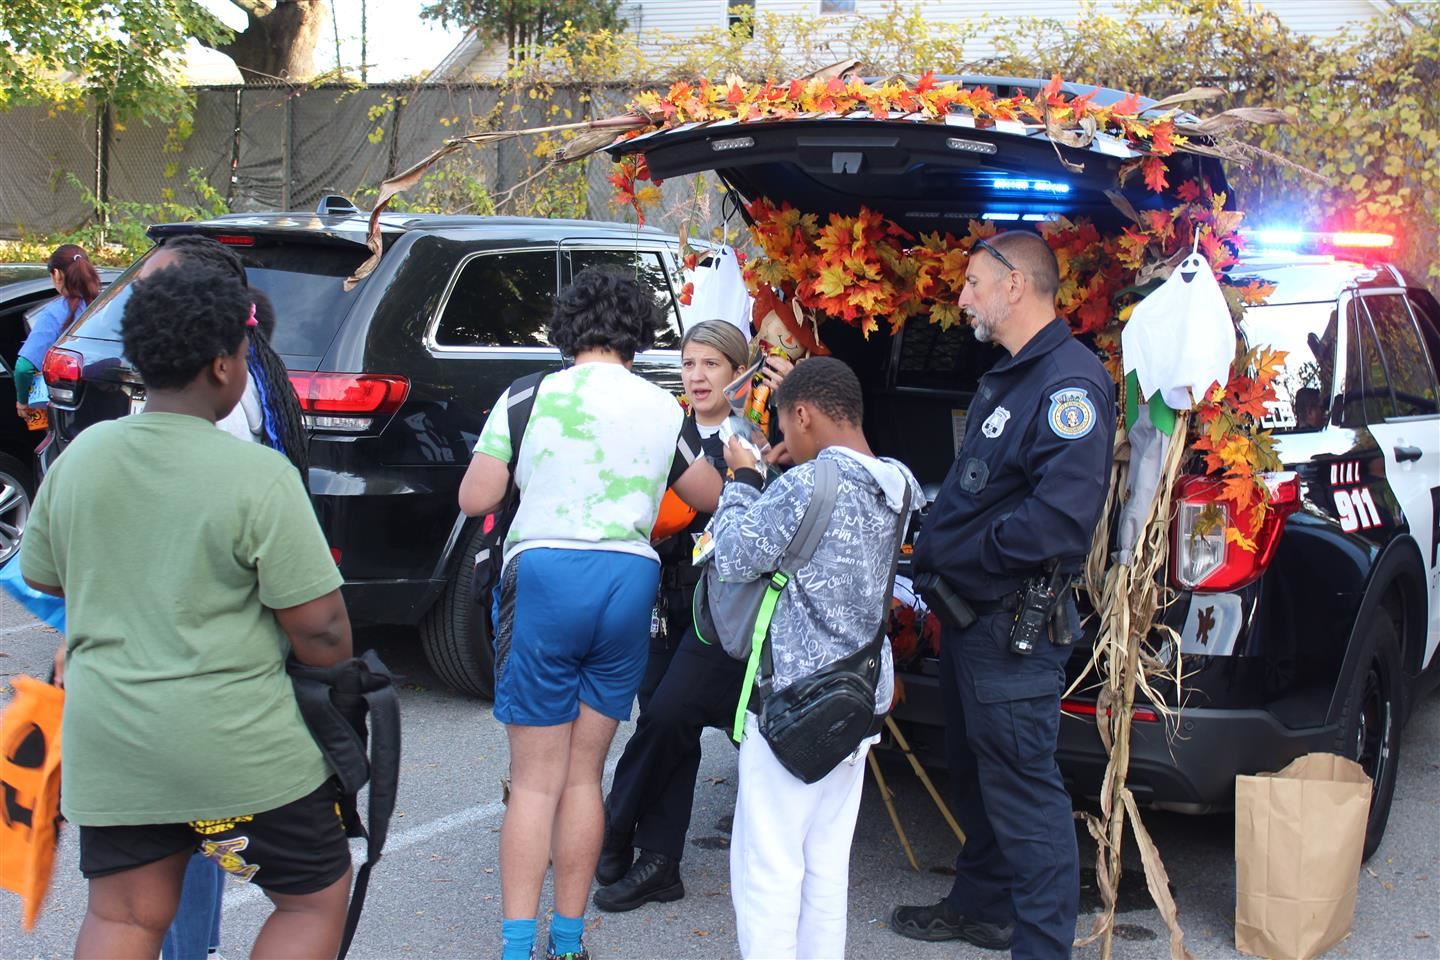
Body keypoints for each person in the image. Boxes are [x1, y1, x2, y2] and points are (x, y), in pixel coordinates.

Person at [21, 264, 354, 960]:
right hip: (236, 747)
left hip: (113, 744)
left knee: (123, 918)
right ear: (224, 365)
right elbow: (321, 629)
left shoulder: (83, 455)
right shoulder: (258, 476)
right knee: (312, 897)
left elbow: (41, 573)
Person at [456, 266, 723, 960]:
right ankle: (569, 943)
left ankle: (518, 947)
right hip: (628, 579)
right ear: (640, 333)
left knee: (533, 782)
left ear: (566, 327)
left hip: (547, 573)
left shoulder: (526, 396)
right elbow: (708, 493)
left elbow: (476, 498)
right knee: (583, 776)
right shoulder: (662, 407)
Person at [894, 232, 1116, 960]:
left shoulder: (1068, 385)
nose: (963, 298)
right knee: (977, 776)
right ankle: (981, 908)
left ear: (1016, 285)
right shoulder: (1015, 375)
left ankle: (1043, 948)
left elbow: (1059, 520)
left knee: (1025, 796)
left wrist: (966, 556)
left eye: (973, 284)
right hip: (971, 621)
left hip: (1007, 624)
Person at [708, 356, 923, 960]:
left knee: (768, 868)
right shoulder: (899, 482)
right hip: (858, 697)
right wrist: (788, 470)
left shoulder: (806, 486)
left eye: (783, 423)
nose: (781, 435)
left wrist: (743, 479)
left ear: (802, 414)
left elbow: (733, 555)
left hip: (793, 700)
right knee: (826, 866)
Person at [595, 319, 791, 913]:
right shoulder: (665, 426)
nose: (698, 376)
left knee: (668, 717)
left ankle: (615, 825)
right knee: (661, 721)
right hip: (661, 598)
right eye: (688, 364)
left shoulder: (755, 438)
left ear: (738, 373)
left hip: (721, 609)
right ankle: (660, 861)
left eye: (711, 364)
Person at [16, 244, 100, 420]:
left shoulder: (54, 313)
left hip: (69, 410)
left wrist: (22, 402)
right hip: (107, 402)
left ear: (56, 274)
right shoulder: (106, 304)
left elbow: (24, 367)